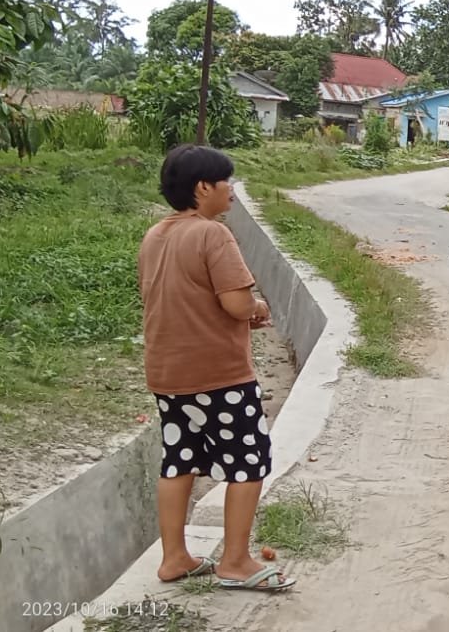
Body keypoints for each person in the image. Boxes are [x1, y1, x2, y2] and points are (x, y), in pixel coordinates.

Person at [139, 145, 295, 592]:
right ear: (202, 187)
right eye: (226, 182)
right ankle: (235, 560)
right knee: (249, 461)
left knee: (179, 460)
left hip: (168, 373)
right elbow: (235, 303)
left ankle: (174, 558)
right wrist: (257, 308)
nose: (231, 190)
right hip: (218, 375)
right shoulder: (212, 235)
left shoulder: (155, 236)